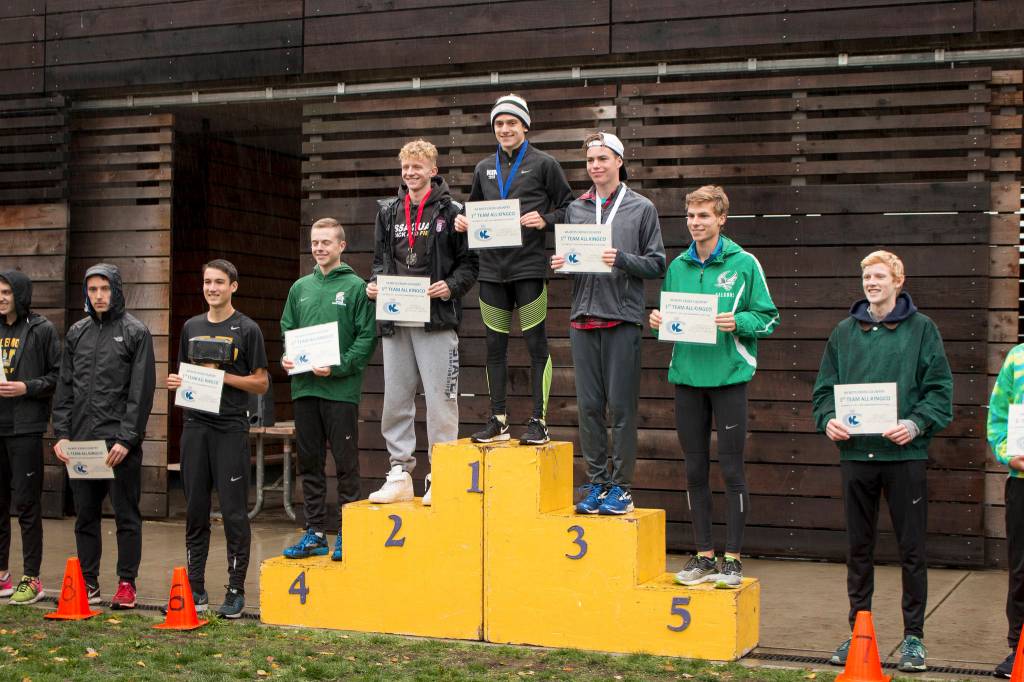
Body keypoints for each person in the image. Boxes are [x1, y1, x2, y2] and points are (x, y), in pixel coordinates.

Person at [812, 250, 952, 673]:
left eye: (879, 276)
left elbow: (940, 391)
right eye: (866, 277)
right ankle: (860, 631)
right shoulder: (843, 332)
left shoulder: (923, 330)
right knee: (859, 548)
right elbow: (823, 391)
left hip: (905, 456)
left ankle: (914, 638)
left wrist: (915, 424)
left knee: (912, 549)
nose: (871, 283)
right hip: (857, 456)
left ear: (898, 281)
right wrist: (828, 420)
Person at [649, 185, 778, 589]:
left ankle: (732, 559)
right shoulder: (678, 266)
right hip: (688, 378)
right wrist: (658, 321)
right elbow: (672, 319)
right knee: (694, 470)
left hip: (728, 378)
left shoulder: (744, 263)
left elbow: (768, 317)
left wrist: (739, 322)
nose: (695, 223)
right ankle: (704, 555)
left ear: (722, 218)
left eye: (704, 215)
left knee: (732, 469)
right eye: (690, 216)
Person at [550, 132, 664, 515]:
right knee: (588, 408)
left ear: (619, 161)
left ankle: (622, 487)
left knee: (621, 408)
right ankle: (598, 482)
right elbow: (577, 260)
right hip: (583, 318)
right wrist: (563, 264)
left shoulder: (642, 208)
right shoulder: (576, 208)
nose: (595, 165)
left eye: (602, 158)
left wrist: (622, 259)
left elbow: (657, 263)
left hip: (622, 319)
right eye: (590, 160)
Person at [454, 93, 573, 445]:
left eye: (511, 122)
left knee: (536, 344)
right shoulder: (483, 168)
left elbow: (569, 208)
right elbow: (472, 210)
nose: (505, 129)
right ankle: (498, 419)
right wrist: (462, 221)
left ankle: (539, 421)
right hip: (492, 271)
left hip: (529, 269)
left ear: (525, 125)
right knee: (494, 346)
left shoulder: (545, 164)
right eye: (499, 124)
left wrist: (546, 219)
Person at [366, 140, 478, 505]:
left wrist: (451, 287)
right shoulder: (388, 211)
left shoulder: (453, 211)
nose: (411, 173)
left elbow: (469, 265)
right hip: (397, 317)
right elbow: (380, 261)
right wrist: (375, 284)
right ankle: (400, 472)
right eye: (406, 168)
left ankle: (441, 475)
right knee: (396, 399)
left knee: (441, 401)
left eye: (418, 167)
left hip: (437, 319)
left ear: (433, 170)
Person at [166, 260, 268, 618]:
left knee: (234, 512)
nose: (212, 288)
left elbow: (261, 382)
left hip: (230, 428)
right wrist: (176, 382)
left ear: (233, 286)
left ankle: (236, 590)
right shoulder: (191, 326)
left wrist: (222, 378)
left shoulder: (248, 329)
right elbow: (184, 373)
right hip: (195, 426)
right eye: (207, 282)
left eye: (219, 282)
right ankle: (195, 587)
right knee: (195, 509)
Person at [52, 263, 156, 610]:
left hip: (118, 445)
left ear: (116, 290)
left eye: (105, 289)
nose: (98, 296)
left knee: (126, 516)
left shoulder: (135, 332)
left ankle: (127, 583)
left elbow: (141, 391)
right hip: (82, 444)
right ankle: (89, 582)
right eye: (92, 289)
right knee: (85, 515)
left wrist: (127, 439)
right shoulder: (76, 332)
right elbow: (65, 388)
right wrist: (62, 434)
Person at [281, 218, 376, 561]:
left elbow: (366, 337)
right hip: (305, 389)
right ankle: (315, 533)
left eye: (326, 242)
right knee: (310, 463)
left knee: (346, 464)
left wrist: (338, 367)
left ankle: (348, 533)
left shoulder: (356, 288)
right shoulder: (300, 288)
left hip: (340, 392)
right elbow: (288, 329)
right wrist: (288, 357)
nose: (319, 248)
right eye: (315, 242)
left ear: (341, 246)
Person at [0, 270, 60, 604]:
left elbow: (58, 376)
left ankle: (31, 578)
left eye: (7, 292)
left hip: (25, 427)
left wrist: (27, 387)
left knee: (26, 504)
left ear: (20, 294)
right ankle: (2, 576)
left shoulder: (41, 329)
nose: (1, 297)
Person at [987, 345, 1024, 677]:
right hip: (1022, 482)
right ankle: (1020, 649)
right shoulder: (1017, 358)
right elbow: (998, 417)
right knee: (1021, 569)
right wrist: (1008, 454)